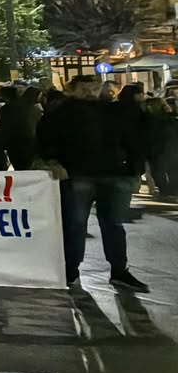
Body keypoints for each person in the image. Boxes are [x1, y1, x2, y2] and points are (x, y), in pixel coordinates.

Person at [41, 76, 149, 292]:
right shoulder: (61, 113)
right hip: (78, 175)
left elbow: (133, 139)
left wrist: (136, 170)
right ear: (73, 90)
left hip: (115, 174)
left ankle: (118, 270)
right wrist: (53, 161)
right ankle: (70, 270)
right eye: (85, 89)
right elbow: (46, 139)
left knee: (113, 224)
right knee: (75, 225)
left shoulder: (116, 111)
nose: (91, 92)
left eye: (94, 88)